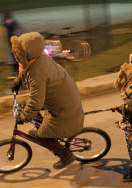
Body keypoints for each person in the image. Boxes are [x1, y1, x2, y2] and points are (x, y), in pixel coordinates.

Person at [10, 32, 84, 169]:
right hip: (62, 95)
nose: (16, 57)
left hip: (63, 106)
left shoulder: (37, 71)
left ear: (26, 53)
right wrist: (18, 82)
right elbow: (25, 71)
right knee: (28, 106)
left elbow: (36, 100)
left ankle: (66, 155)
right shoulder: (39, 58)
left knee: (41, 137)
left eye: (18, 54)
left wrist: (23, 118)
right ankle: (43, 129)